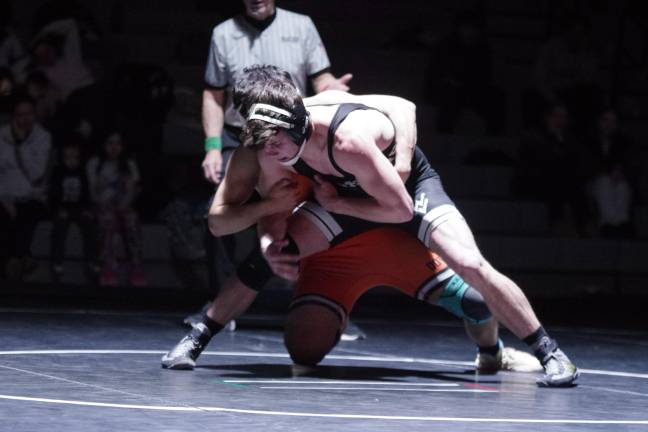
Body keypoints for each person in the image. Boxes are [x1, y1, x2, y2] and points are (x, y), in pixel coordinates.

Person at [229, 65, 579, 387]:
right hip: (351, 206)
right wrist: (268, 243)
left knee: (471, 265)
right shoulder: (268, 144)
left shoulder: (340, 132)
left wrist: (404, 161)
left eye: (274, 139)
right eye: (261, 137)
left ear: (290, 118)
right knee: (282, 264)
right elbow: (249, 218)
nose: (269, 148)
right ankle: (201, 331)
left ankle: (549, 352)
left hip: (398, 196)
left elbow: (401, 199)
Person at [163, 225, 541, 375]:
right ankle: (201, 332)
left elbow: (411, 194)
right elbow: (232, 219)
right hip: (331, 259)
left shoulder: (377, 137)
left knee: (478, 300)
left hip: (394, 243)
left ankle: (492, 353)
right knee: (304, 350)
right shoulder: (283, 156)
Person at [196, 0, 352, 319]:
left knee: (322, 209)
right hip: (241, 137)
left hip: (289, 139)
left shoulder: (302, 26)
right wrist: (213, 146)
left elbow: (321, 78)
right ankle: (219, 303)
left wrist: (333, 91)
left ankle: (325, 302)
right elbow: (213, 94)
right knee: (219, 211)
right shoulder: (223, 34)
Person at [0, 94, 52, 280]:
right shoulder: (1, 135)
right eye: (20, 115)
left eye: (28, 114)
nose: (25, 119)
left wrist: (20, 147)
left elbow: (36, 175)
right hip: (5, 196)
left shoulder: (43, 137)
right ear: (14, 116)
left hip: (33, 196)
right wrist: (4, 197)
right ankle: (22, 257)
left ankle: (15, 258)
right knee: (4, 216)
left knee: (25, 213)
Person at [86, 131, 145, 287]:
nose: (114, 147)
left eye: (117, 143)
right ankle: (108, 267)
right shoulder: (95, 164)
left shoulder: (129, 165)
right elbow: (93, 192)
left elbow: (133, 189)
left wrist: (122, 206)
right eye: (110, 143)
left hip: (124, 207)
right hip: (103, 207)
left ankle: (136, 267)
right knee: (107, 220)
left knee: (132, 221)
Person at [49, 139, 98, 279]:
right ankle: (57, 262)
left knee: (90, 227)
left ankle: (91, 261)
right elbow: (54, 195)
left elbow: (86, 193)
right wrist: (59, 209)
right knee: (59, 228)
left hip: (79, 208)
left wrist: (87, 209)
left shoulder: (82, 171)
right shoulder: (58, 171)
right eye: (68, 155)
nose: (71, 159)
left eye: (74, 155)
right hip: (62, 208)